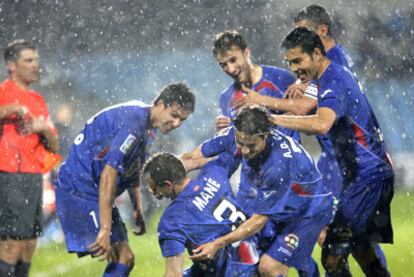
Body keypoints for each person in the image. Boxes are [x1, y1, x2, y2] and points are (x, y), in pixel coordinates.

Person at [271, 27, 394, 277]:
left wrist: (275, 120)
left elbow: (321, 123)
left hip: (366, 178)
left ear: (317, 53)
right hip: (367, 175)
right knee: (362, 249)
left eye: (298, 60)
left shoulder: (333, 82)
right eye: (290, 62)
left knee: (331, 256)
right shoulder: (330, 77)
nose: (294, 68)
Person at [55, 83, 195, 277]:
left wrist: (137, 209)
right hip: (79, 190)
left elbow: (132, 170)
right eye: (174, 115)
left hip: (94, 191)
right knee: (121, 256)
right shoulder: (134, 123)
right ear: (160, 104)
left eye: (183, 120)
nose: (177, 123)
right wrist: (105, 228)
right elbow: (108, 173)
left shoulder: (146, 127)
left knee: (126, 258)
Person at [191, 106, 333, 277]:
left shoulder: (278, 166)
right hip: (283, 204)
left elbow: (258, 221)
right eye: (240, 143)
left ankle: (305, 264)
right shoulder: (235, 134)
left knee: (268, 267)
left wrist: (217, 244)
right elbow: (193, 158)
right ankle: (305, 265)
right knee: (263, 251)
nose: (243, 150)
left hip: (308, 211)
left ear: (266, 136)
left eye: (251, 145)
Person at [142, 152, 259, 277]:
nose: (150, 191)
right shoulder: (214, 172)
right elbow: (235, 146)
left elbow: (174, 274)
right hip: (254, 256)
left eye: (153, 187)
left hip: (225, 271)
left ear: (168, 185)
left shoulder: (172, 220)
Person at [0, 39, 60, 277]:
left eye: (36, 59)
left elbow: (54, 145)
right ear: (11, 65)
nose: (36, 65)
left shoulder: (38, 100)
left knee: (28, 245)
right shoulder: (4, 92)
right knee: (11, 244)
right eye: (29, 60)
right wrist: (12, 109)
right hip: (8, 175)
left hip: (34, 176)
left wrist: (42, 128)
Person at [212, 30, 302, 141]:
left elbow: (306, 112)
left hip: (289, 157)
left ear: (247, 53)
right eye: (223, 65)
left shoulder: (281, 78)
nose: (231, 69)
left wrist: (262, 101)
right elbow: (231, 145)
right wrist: (225, 132)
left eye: (233, 60)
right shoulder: (226, 98)